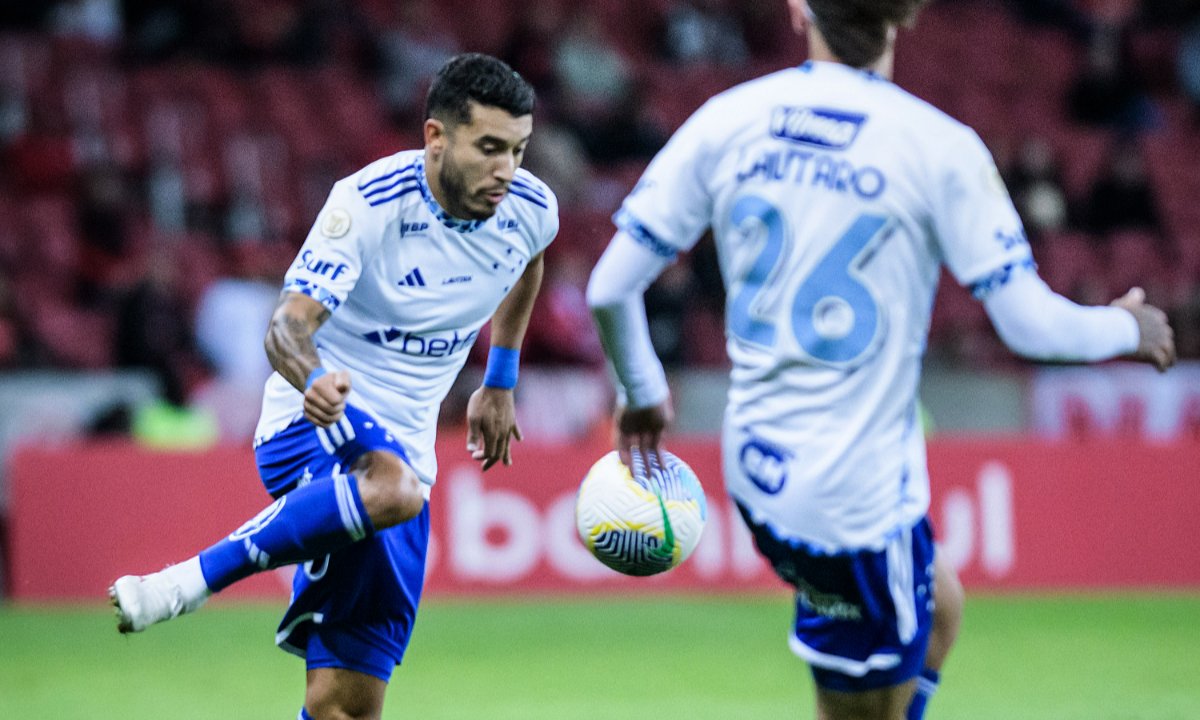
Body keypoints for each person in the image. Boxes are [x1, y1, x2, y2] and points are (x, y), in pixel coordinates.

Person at [585, 2, 1176, 720]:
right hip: (853, 503)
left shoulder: (727, 118)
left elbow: (611, 286)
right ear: (911, 12)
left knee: (942, 607)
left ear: (799, 8)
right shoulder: (939, 146)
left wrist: (642, 393)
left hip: (760, 466)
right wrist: (1124, 326)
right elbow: (1031, 326)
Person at [110, 53, 558, 720]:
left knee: (346, 706)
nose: (507, 170)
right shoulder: (367, 205)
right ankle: (183, 585)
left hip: (405, 450)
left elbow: (529, 265)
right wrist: (315, 378)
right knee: (393, 487)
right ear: (436, 137)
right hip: (313, 419)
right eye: (489, 148)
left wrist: (500, 378)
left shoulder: (528, 208)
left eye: (518, 150)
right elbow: (286, 329)